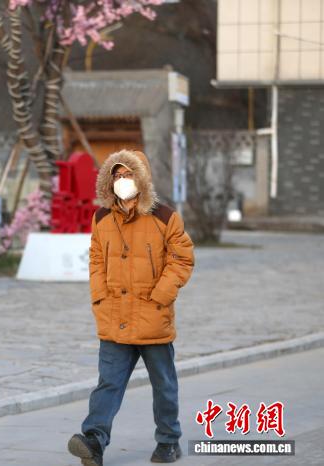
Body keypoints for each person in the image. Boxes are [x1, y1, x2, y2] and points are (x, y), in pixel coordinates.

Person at [68, 149, 195, 465]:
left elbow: (182, 259)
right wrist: (99, 297)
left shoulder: (165, 217)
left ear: (142, 178)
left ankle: (168, 441)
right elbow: (96, 259)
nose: (123, 181)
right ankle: (93, 442)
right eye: (118, 176)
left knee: (163, 385)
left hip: (153, 316)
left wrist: (160, 297)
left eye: (128, 175)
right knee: (108, 384)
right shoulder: (102, 218)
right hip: (114, 316)